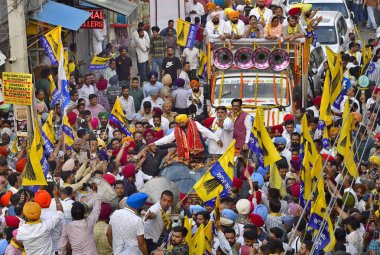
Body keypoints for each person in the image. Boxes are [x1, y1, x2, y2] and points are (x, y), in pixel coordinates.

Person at [17, 187, 64, 255]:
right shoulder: (45, 226)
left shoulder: (21, 231)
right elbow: (60, 213)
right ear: (39, 213)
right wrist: (56, 196)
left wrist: (25, 202)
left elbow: (19, 241)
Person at [153, 114, 222, 160]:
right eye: (179, 123)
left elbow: (206, 132)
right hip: (187, 155)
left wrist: (217, 139)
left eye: (182, 122)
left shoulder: (195, 124)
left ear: (186, 121)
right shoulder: (177, 129)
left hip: (201, 152)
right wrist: (155, 143)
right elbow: (168, 138)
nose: (181, 124)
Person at [58, 184, 101, 255]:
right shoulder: (89, 222)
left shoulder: (67, 227)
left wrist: (61, 253)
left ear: (72, 215)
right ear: (84, 214)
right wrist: (94, 192)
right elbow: (97, 208)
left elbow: (62, 245)